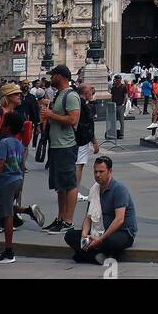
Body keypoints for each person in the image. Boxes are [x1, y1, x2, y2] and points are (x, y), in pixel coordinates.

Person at [65, 156, 137, 265]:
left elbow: (119, 219)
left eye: (101, 172)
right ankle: (96, 256)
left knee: (109, 241)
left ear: (110, 171)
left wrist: (100, 239)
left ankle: (87, 255)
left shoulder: (119, 189)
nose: (98, 175)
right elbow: (88, 217)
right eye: (95, 172)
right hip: (97, 231)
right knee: (70, 235)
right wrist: (84, 235)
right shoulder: (94, 189)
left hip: (122, 233)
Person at [40, 64, 82, 233]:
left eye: (53, 75)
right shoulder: (59, 95)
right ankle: (60, 218)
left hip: (66, 145)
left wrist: (51, 115)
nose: (50, 78)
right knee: (60, 185)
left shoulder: (71, 96)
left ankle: (68, 220)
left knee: (69, 183)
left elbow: (73, 120)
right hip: (56, 145)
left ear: (60, 77)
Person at [0, 110, 27, 264]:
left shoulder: (4, 143)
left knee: (6, 214)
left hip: (7, 181)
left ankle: (9, 251)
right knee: (7, 208)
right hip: (17, 180)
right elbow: (22, 166)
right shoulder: (19, 144)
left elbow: (0, 165)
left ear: (7, 127)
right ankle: (27, 210)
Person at [74, 83, 99, 190]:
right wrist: (94, 141)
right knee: (79, 165)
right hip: (82, 140)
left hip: (78, 139)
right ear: (85, 92)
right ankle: (75, 191)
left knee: (78, 165)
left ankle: (73, 190)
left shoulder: (78, 103)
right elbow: (87, 125)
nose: (92, 92)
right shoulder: (83, 105)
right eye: (90, 90)